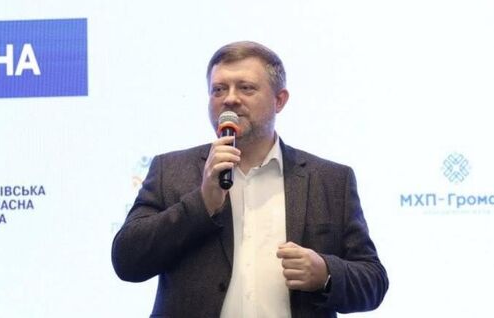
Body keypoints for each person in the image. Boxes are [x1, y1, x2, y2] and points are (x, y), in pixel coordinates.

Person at [112, 41, 388, 317]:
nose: (230, 99)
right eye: (219, 89)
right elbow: (127, 260)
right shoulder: (170, 171)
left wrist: (325, 274)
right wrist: (202, 203)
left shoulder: (330, 180)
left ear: (279, 100)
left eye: (246, 88)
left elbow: (373, 281)